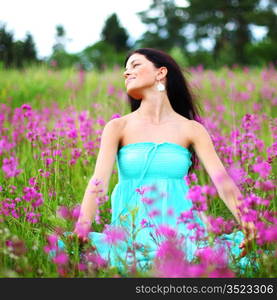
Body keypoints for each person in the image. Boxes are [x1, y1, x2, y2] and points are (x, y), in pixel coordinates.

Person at [66, 48, 257, 274]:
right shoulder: (117, 127)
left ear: (161, 73)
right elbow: (98, 183)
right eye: (125, 69)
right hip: (132, 235)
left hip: (182, 235)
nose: (126, 73)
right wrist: (82, 227)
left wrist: (248, 223)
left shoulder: (192, 129)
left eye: (135, 65)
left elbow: (223, 183)